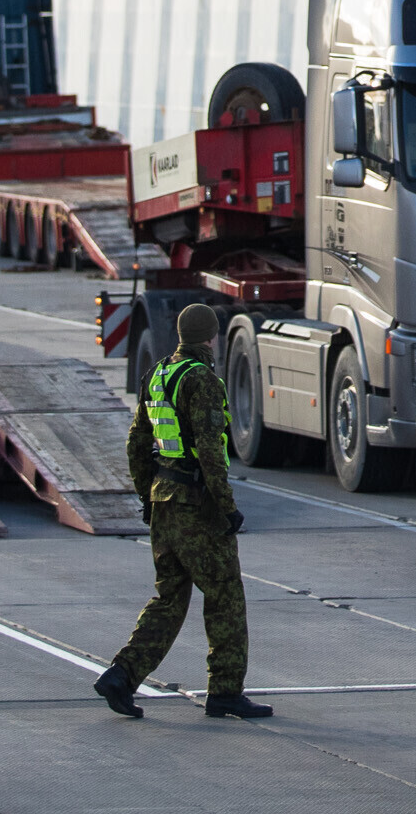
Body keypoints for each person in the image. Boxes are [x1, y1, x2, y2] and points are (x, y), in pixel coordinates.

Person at [95, 303, 269, 721]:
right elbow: (210, 451)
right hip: (196, 506)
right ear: (210, 337)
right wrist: (226, 507)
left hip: (164, 501)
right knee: (226, 596)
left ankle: (121, 675)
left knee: (169, 598)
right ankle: (225, 691)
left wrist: (148, 498)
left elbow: (137, 444)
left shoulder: (158, 374)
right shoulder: (201, 379)